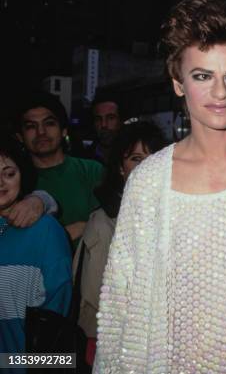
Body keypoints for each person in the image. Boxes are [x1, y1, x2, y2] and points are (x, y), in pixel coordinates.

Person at [94, 0, 226, 373]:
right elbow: (120, 301)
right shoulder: (149, 179)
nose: (220, 93)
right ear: (178, 83)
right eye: (202, 76)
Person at [72, 121, 167, 367]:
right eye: (136, 158)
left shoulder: (170, 214)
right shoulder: (105, 221)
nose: (146, 166)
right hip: (111, 340)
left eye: (153, 157)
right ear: (121, 169)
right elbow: (98, 295)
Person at [0, 135, 72, 361]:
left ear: (23, 175)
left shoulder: (46, 230)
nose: (0, 183)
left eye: (9, 174)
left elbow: (57, 315)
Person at [15, 92, 104, 248]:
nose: (41, 132)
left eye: (49, 123)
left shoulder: (91, 170)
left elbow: (112, 221)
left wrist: (86, 226)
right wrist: (63, 233)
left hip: (90, 267)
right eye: (31, 126)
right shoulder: (12, 180)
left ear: (63, 131)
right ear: (20, 137)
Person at [87, 95, 122, 164]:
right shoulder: (84, 160)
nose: (104, 125)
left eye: (110, 118)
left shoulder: (131, 157)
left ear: (120, 121)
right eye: (98, 119)